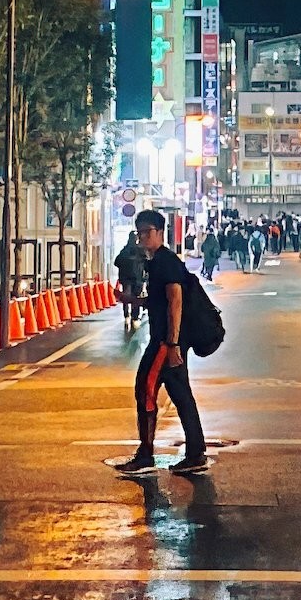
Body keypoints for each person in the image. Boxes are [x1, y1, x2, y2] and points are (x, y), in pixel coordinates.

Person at [116, 206, 210, 481]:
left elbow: (175, 301)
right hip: (168, 341)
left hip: (164, 342)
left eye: (147, 232)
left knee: (144, 389)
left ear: (160, 232)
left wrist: (172, 344)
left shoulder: (165, 262)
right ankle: (196, 454)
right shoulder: (159, 261)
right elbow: (159, 302)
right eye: (139, 233)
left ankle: (146, 455)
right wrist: (131, 302)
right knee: (181, 396)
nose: (142, 238)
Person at [114, 225, 146, 332]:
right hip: (137, 279)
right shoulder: (140, 251)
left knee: (126, 297)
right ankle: (134, 316)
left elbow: (116, 262)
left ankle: (126, 314)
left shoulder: (124, 251)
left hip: (126, 279)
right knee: (136, 298)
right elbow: (147, 263)